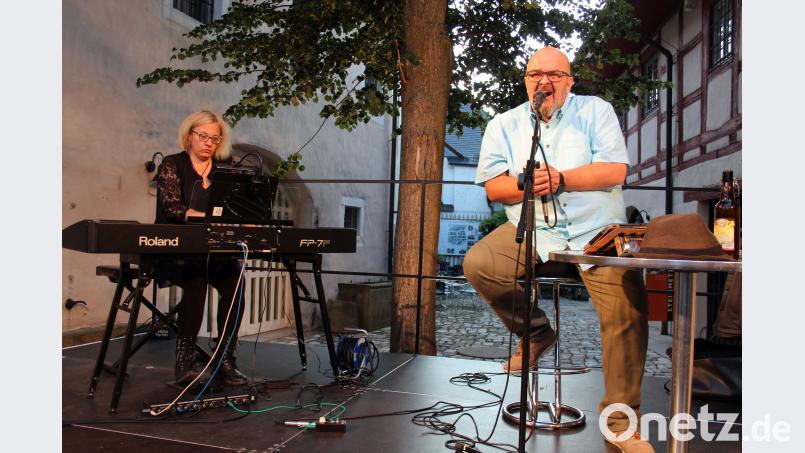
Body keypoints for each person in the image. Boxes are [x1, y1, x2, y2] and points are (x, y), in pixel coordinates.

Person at [463, 48, 653, 453]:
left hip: (595, 231)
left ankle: (620, 425)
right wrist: (530, 182)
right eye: (535, 74)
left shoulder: (596, 111)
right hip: (532, 229)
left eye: (554, 73)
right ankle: (535, 334)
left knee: (627, 309)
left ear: (569, 80)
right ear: (526, 81)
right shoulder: (505, 123)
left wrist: (562, 178)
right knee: (480, 264)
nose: (543, 81)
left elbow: (615, 170)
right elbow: (494, 186)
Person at [154, 110, 248, 386]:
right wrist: (202, 215)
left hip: (213, 252)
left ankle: (225, 358)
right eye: (203, 136)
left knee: (235, 283)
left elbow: (234, 208)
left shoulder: (224, 168)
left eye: (215, 138)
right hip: (176, 252)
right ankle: (184, 362)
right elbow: (172, 207)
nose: (209, 142)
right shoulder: (172, 164)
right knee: (196, 282)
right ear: (190, 136)